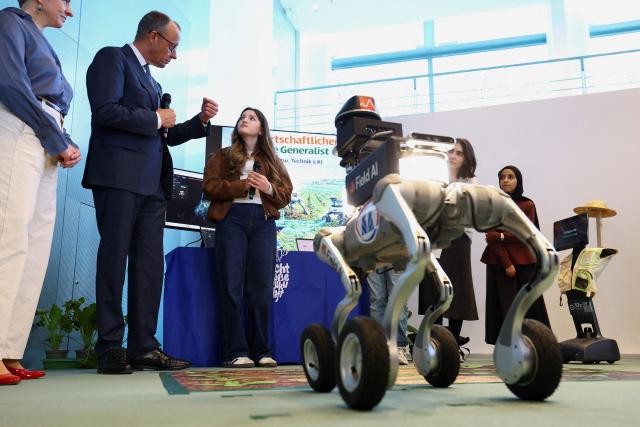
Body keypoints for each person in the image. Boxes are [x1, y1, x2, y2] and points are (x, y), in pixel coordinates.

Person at [82, 10, 218, 374]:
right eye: (173, 47)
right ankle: (110, 346)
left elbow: (163, 135)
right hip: (119, 177)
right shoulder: (112, 58)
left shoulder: (152, 82)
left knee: (148, 267)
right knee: (113, 260)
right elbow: (106, 112)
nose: (174, 56)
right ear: (153, 36)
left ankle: (144, 346)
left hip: (154, 186)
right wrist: (157, 118)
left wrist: (197, 123)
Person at [0, 0, 81, 386]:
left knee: (35, 246)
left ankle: (10, 350)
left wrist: (62, 138)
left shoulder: (44, 41)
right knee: (9, 237)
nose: (69, 9)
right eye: (64, 0)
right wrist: (53, 136)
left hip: (45, 135)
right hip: (19, 127)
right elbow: (10, 84)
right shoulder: (10, 22)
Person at [203, 107, 292, 368]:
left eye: (251, 118)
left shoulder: (273, 160)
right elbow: (208, 186)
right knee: (231, 286)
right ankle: (235, 351)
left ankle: (262, 350)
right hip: (232, 219)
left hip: (263, 223)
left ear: (261, 129)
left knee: (261, 289)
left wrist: (268, 187)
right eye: (242, 116)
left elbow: (285, 195)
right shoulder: (223, 155)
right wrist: (242, 185)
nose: (245, 119)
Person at [418, 138, 479, 347]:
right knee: (433, 289)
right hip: (434, 238)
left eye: (459, 153)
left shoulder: (471, 182)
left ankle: (452, 343)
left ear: (466, 158)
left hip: (459, 240)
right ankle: (434, 341)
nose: (453, 156)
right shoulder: (433, 177)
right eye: (451, 151)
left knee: (458, 290)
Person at [481, 165, 551, 345]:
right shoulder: (492, 204)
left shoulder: (527, 204)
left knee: (530, 305)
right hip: (498, 262)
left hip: (525, 262)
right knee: (504, 306)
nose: (505, 180)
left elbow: (527, 233)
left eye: (510, 177)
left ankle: (538, 343)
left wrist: (502, 235)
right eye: (502, 177)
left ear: (518, 180)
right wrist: (506, 263)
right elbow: (490, 237)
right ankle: (507, 346)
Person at [366, 266, 411, 365]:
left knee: (398, 299)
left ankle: (398, 347)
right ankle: (380, 347)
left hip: (395, 252)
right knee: (376, 300)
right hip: (371, 253)